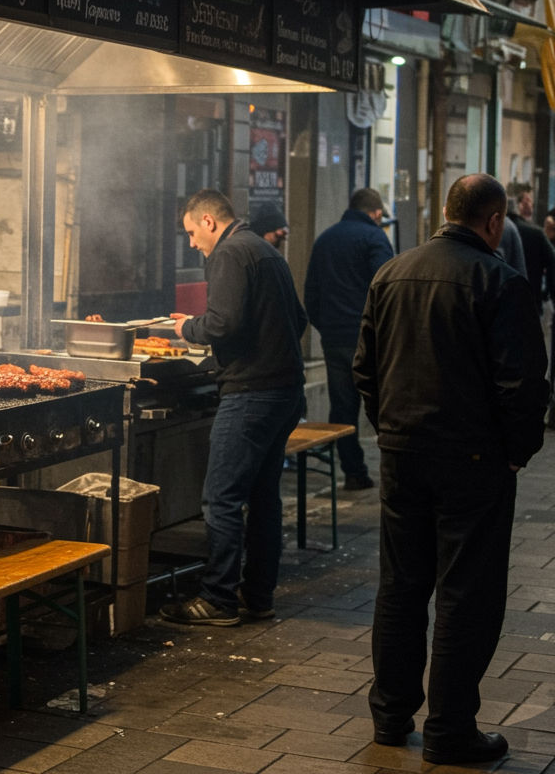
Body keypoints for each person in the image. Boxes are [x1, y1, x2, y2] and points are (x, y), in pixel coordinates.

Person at [354, 173, 548, 765]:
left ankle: (389, 716)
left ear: (445, 212)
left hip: (403, 454)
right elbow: (523, 383)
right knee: (466, 593)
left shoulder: (391, 273)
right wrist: (518, 450)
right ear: (494, 223)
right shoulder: (500, 282)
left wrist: (390, 429)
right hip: (473, 460)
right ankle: (450, 728)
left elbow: (365, 368)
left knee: (401, 585)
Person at [160, 189, 306, 627]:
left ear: (208, 221)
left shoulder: (229, 253)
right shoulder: (265, 250)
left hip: (251, 394)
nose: (191, 243)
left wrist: (188, 327)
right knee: (263, 498)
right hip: (284, 391)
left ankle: (217, 598)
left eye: (191, 233)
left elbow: (223, 322)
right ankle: (258, 595)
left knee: (220, 498)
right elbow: (297, 320)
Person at [303, 188, 393, 491]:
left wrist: (326, 326)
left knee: (342, 408)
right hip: (369, 339)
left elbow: (311, 294)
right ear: (377, 213)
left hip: (333, 339)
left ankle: (353, 472)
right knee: (383, 404)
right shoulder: (375, 238)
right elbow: (387, 287)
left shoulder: (325, 239)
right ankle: (396, 472)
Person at [506, 182, 555, 301]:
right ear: (518, 205)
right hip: (530, 300)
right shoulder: (536, 233)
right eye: (525, 201)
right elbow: (552, 262)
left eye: (530, 201)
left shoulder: (493, 229)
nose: (529, 205)